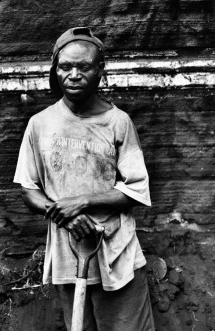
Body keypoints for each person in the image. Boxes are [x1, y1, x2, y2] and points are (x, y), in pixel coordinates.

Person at [14, 27, 155, 331]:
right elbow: (29, 189)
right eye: (65, 67)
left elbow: (135, 190)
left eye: (84, 67)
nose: (74, 74)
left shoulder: (118, 122)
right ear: (56, 70)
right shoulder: (39, 125)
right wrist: (65, 217)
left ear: (100, 71)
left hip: (115, 256)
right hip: (68, 255)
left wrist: (80, 202)